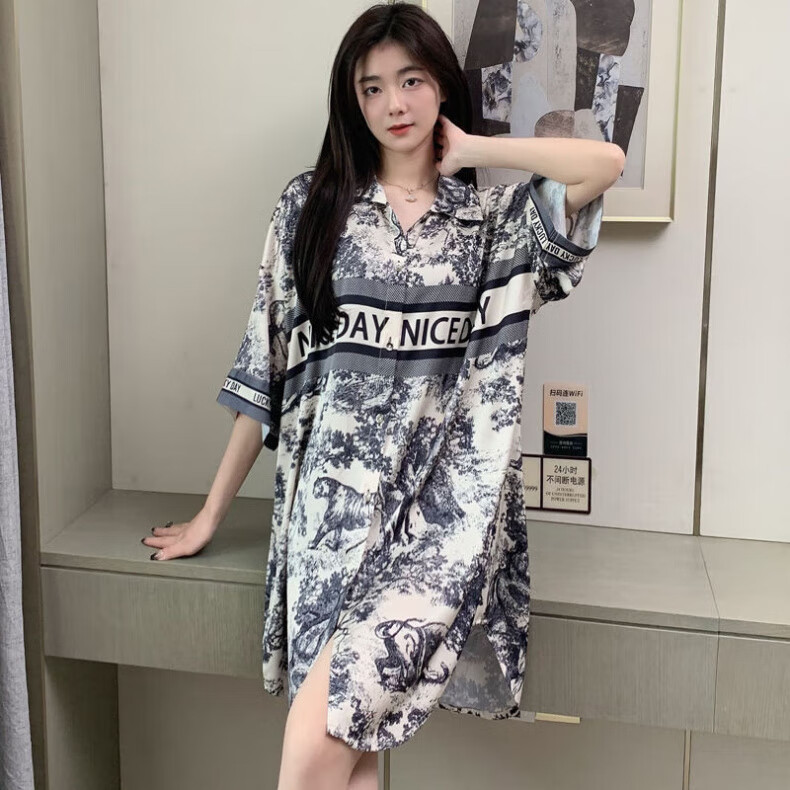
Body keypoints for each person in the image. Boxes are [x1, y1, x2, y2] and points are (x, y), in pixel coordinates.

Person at [141, 3, 623, 788]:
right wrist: (209, 517)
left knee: (315, 745)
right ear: (353, 101)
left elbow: (603, 163)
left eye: (411, 81)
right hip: (328, 516)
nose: (393, 104)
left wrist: (475, 150)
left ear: (442, 87)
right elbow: (266, 370)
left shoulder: (493, 223)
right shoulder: (311, 209)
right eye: (371, 88)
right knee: (349, 757)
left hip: (440, 526)